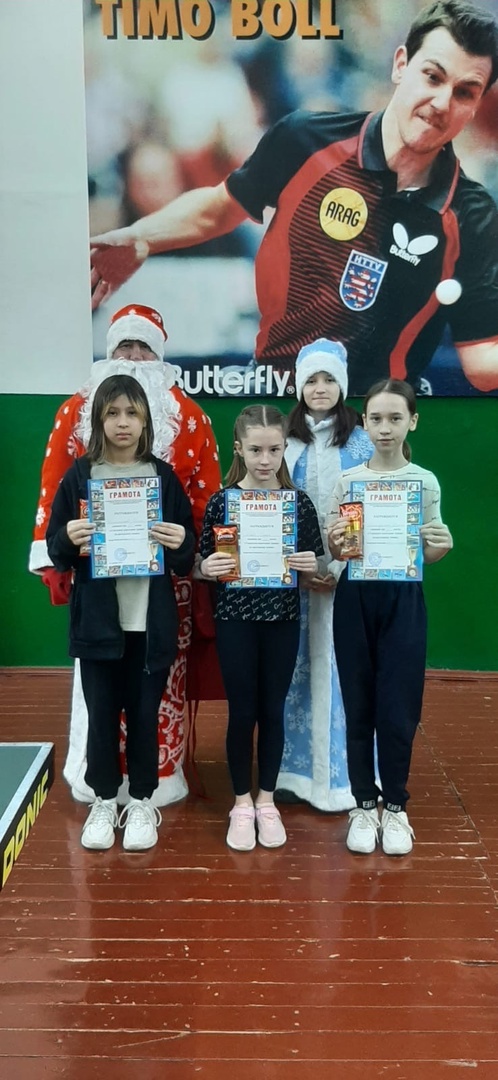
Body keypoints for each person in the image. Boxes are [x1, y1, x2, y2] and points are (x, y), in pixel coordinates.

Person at [89, 1, 498, 395]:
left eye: (465, 92)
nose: (442, 102)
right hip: (274, 399)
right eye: (432, 77)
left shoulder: (472, 213)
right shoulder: (306, 139)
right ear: (400, 65)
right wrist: (142, 237)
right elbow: (219, 209)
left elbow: (481, 361)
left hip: (381, 420)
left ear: (478, 105)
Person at [29, 303, 221, 807]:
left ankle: (152, 784)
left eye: (143, 348)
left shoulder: (191, 418)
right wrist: (57, 554)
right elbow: (54, 494)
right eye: (123, 346)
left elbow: (204, 500)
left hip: (162, 592)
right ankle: (99, 785)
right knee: (99, 695)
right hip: (96, 589)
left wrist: (194, 555)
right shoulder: (73, 412)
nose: (133, 357)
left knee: (152, 695)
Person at [46, 375, 196, 851]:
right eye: (113, 413)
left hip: (149, 624)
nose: (123, 423)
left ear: (146, 420)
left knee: (144, 714)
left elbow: (185, 552)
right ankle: (105, 800)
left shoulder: (162, 477)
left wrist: (180, 542)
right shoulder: (80, 476)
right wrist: (68, 537)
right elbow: (57, 550)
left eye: (132, 413)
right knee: (102, 716)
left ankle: (143, 801)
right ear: (98, 420)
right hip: (98, 626)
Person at [327, 379, 453, 857]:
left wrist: (441, 547)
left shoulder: (425, 482)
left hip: (404, 600)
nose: (385, 428)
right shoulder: (348, 482)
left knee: (399, 707)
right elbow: (339, 549)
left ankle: (395, 806)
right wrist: (338, 544)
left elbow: (430, 550)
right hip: (355, 598)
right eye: (376, 418)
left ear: (412, 421)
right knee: (358, 703)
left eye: (395, 418)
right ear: (363, 423)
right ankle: (363, 804)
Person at [197, 405, 323, 851]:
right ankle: (240, 804)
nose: (265, 459)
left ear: (285, 448)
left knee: (272, 710)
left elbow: (315, 566)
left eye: (273, 449)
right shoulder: (223, 502)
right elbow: (201, 561)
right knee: (242, 711)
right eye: (255, 450)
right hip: (235, 620)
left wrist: (310, 566)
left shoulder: (298, 504)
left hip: (281, 620)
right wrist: (205, 568)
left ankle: (266, 801)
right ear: (239, 449)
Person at [275, 338, 373, 811]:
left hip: (345, 581)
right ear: (298, 385)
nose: (319, 388)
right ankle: (292, 775)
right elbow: (270, 508)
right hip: (292, 582)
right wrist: (302, 568)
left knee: (344, 670)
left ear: (342, 385)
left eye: (328, 379)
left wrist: (336, 564)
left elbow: (364, 506)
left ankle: (343, 778)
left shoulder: (361, 442)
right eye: (311, 379)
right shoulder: (284, 442)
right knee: (291, 671)